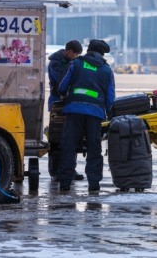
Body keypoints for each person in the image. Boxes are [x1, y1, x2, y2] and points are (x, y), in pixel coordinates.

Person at [57, 39, 115, 192]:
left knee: (69, 146)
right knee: (94, 149)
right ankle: (94, 185)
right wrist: (106, 112)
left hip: (74, 110)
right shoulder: (106, 70)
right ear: (102, 54)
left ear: (88, 50)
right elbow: (110, 98)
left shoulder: (75, 64)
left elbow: (62, 86)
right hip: (95, 114)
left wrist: (63, 95)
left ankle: (65, 184)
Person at [47, 40, 84, 181]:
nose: (76, 57)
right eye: (75, 54)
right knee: (56, 138)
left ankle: (69, 169)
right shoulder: (55, 63)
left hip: (69, 102)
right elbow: (60, 83)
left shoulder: (71, 62)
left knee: (71, 137)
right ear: (69, 51)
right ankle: (55, 171)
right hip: (57, 102)